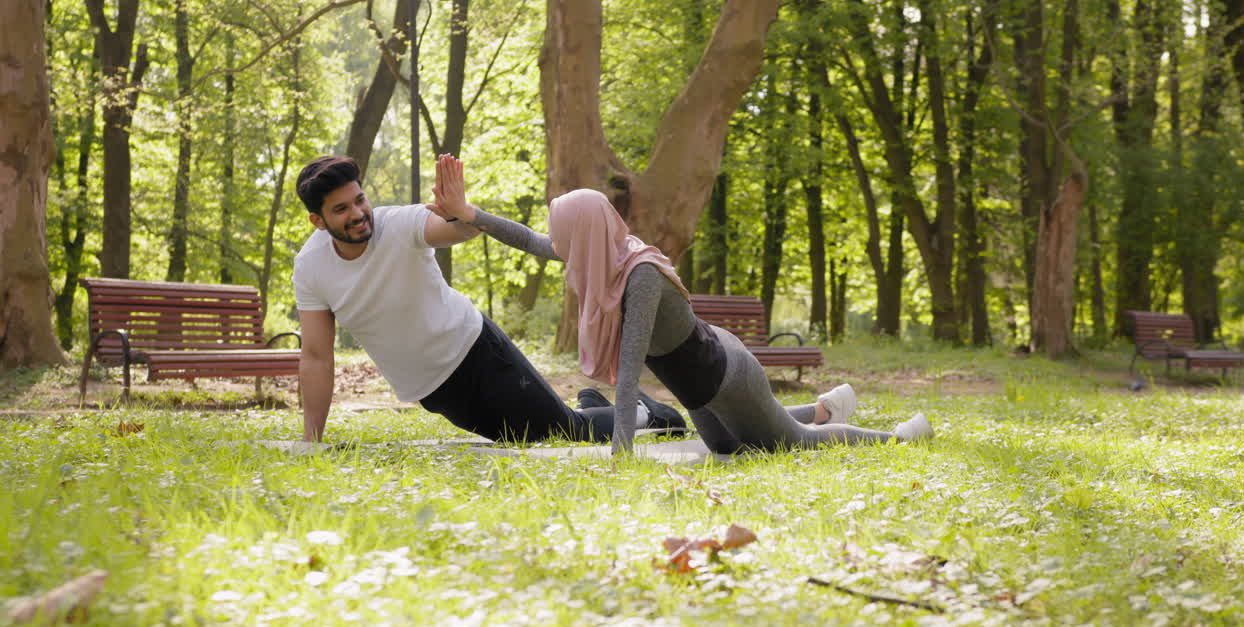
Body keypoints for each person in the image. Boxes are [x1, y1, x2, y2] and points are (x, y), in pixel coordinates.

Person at [427, 156, 934, 455]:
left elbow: (629, 375)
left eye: (565, 234)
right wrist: (469, 214)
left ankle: (900, 437)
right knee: (730, 449)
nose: (559, 246)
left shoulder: (639, 274)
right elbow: (534, 241)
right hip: (698, 389)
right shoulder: (602, 254)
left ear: (587, 232)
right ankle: (827, 405)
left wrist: (621, 458)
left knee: (791, 442)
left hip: (727, 373)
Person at [290, 155, 685, 445]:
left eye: (359, 200)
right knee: (524, 438)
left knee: (560, 434)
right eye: (341, 209)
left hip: (477, 352)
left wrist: (460, 212)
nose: (358, 213)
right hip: (434, 390)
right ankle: (592, 403)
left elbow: (460, 232)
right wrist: (312, 441)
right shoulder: (311, 268)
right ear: (318, 221)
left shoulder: (397, 224)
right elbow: (317, 356)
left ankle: (648, 414)